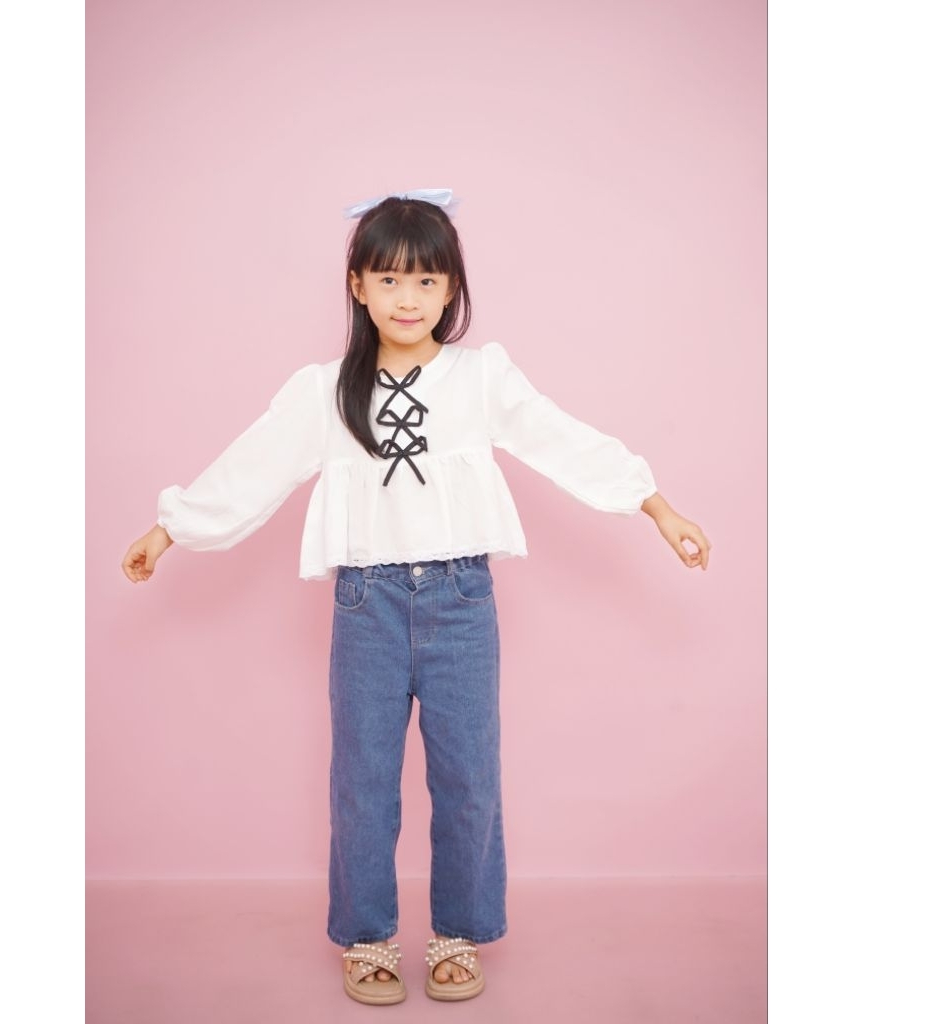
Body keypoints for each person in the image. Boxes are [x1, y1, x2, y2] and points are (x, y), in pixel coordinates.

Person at [121, 190, 711, 1005]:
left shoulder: (481, 377)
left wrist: (654, 505)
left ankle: (457, 932)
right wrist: (171, 529)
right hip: (366, 605)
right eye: (390, 279)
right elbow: (251, 466)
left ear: (452, 288)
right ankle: (367, 937)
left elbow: (562, 438)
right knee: (362, 781)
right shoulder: (326, 390)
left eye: (428, 281)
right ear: (357, 285)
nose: (409, 298)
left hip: (462, 600)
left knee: (469, 777)